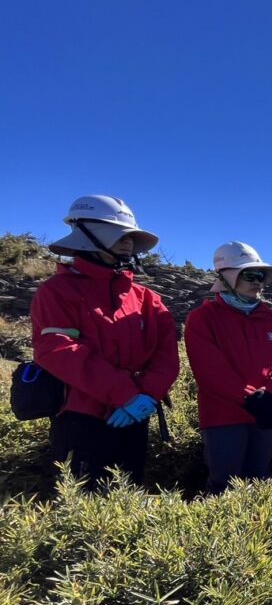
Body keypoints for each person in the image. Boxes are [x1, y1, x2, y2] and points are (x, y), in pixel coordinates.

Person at [31, 195, 179, 486]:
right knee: (85, 504)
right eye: (121, 234)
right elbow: (58, 349)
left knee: (128, 496)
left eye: (131, 237)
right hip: (80, 419)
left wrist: (147, 395)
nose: (129, 243)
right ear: (87, 233)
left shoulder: (147, 298)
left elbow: (166, 354)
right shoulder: (57, 291)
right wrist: (125, 394)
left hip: (137, 415)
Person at [185, 242, 272, 494]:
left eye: (261, 275)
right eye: (249, 275)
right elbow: (209, 371)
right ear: (226, 277)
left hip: (268, 412)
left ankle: (257, 534)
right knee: (223, 485)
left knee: (259, 481)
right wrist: (251, 398)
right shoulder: (202, 318)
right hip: (223, 417)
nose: (258, 281)